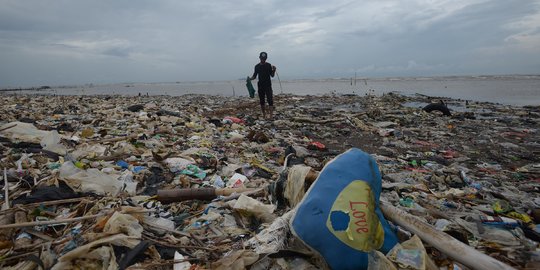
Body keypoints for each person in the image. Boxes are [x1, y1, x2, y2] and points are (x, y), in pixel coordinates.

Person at [250, 52, 276, 119]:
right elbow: (254, 76)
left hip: (268, 85)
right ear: (259, 58)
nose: (263, 59)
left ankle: (271, 116)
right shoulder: (257, 66)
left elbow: (272, 75)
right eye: (262, 58)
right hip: (260, 85)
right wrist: (249, 79)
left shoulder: (268, 65)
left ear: (266, 58)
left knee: (270, 100)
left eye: (264, 58)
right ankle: (264, 115)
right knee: (262, 100)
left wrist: (274, 70)